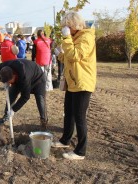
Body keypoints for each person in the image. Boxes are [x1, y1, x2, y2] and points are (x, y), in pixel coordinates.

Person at [52, 11, 97, 160]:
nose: (65, 29)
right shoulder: (75, 38)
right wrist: (59, 54)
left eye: (66, 26)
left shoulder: (86, 37)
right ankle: (65, 140)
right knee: (68, 113)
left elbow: (76, 55)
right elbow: (68, 58)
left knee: (79, 116)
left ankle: (80, 151)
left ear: (74, 25)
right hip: (73, 81)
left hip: (82, 83)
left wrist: (66, 38)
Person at [0, 59, 48, 129]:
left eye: (9, 81)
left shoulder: (24, 78)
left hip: (38, 78)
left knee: (40, 98)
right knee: (11, 95)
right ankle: (6, 115)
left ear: (14, 76)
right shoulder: (3, 67)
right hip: (21, 76)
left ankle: (43, 120)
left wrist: (13, 110)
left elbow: (25, 97)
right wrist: (4, 82)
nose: (9, 83)